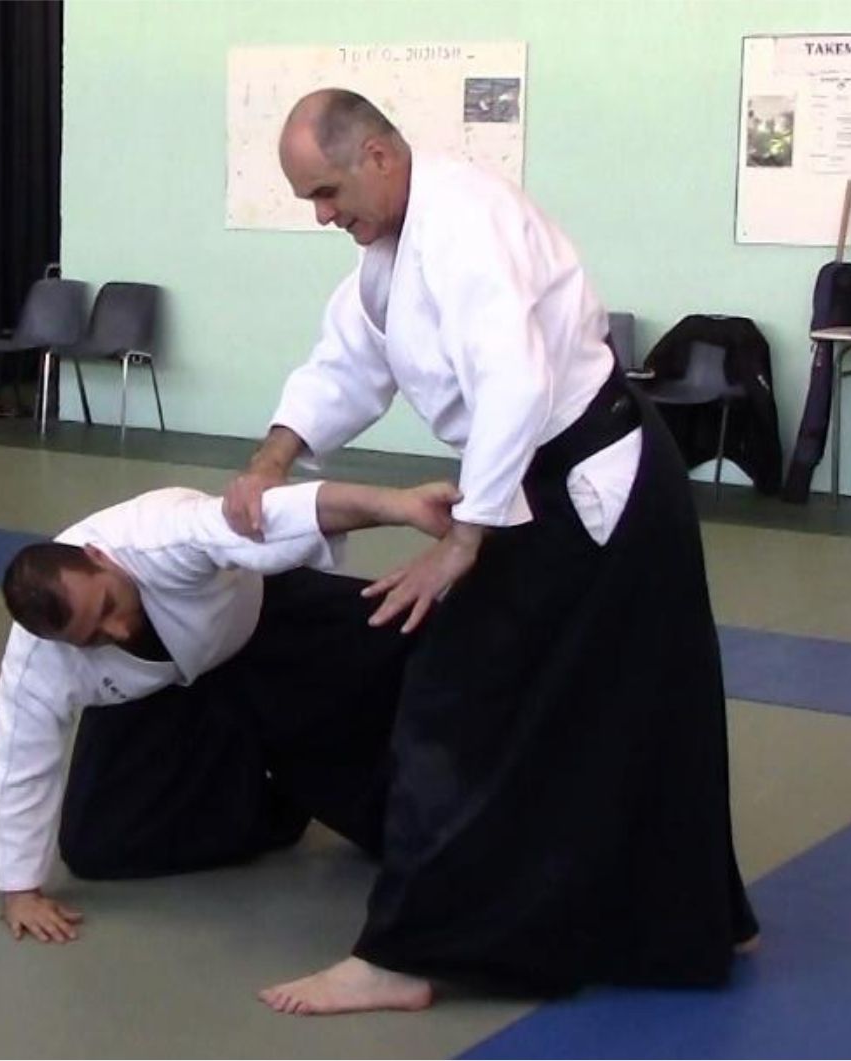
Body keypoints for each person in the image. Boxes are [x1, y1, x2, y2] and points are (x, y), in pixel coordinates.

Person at [224, 89, 759, 1015]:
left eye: (325, 192)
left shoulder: (464, 221)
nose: (321, 215)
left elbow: (514, 380)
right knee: (626, 696)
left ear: (378, 156)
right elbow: (347, 363)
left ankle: (404, 952)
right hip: (545, 476)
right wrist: (272, 458)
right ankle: (696, 916)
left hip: (591, 481)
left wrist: (466, 537)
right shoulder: (387, 253)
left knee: (462, 698)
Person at [0, 478, 459, 943]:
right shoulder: (39, 661)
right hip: (159, 694)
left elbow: (284, 514)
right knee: (96, 846)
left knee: (411, 629)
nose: (117, 630)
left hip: (259, 623)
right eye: (92, 637)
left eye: (109, 605)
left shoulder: (160, 537)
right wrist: (19, 891)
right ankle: (272, 805)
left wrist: (399, 505)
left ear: (98, 556)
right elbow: (20, 761)